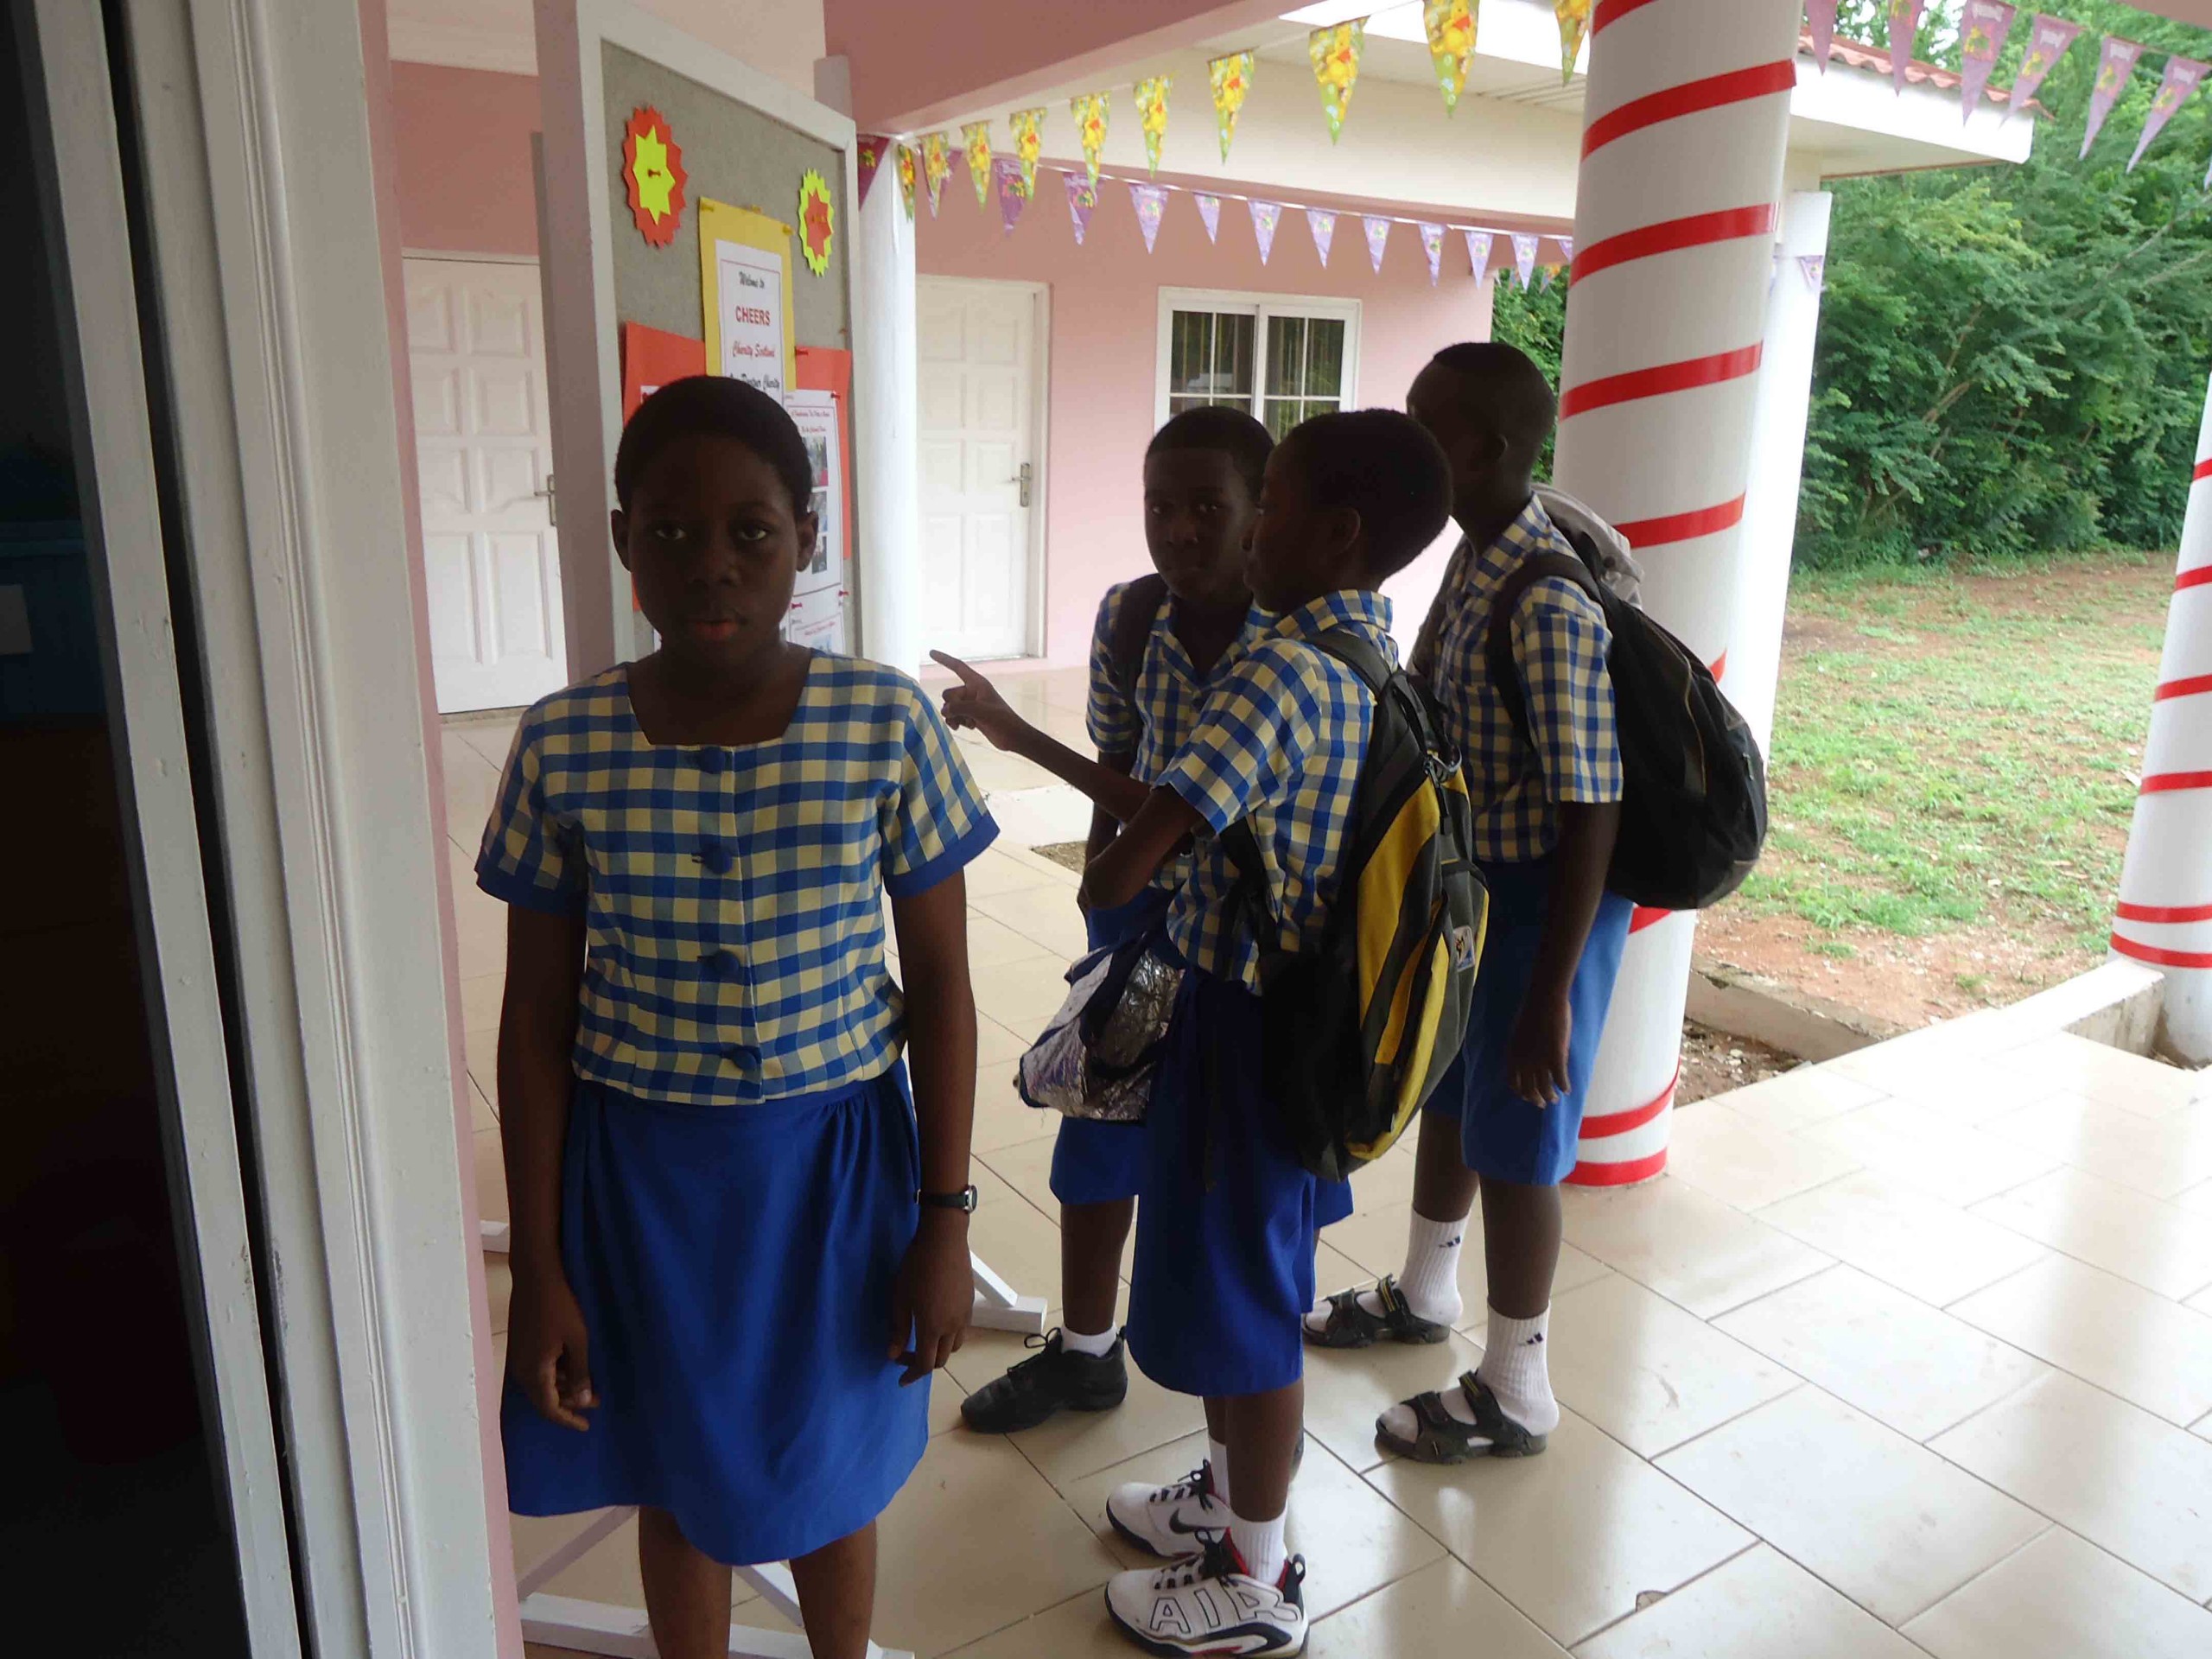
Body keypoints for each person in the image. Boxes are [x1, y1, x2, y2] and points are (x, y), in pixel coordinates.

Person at [481, 376, 995, 1659]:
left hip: (835, 1178)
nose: (709, 564)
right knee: (677, 1465)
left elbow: (942, 989)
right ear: (624, 541)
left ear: (806, 540)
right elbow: (534, 1019)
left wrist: (944, 1221)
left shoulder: (884, 724)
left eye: (751, 532)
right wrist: (539, 1266)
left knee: (830, 1467)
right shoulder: (562, 745)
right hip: (643, 1185)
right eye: (669, 531)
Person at [1084, 410, 1454, 1657]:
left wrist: (1116, 879)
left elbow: (1133, 859)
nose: (1250, 535)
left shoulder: (1277, 673)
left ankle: (1258, 1572)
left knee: (1247, 1306)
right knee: (1253, 1274)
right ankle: (1226, 1499)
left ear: (1336, 533)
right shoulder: (1368, 656)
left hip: (1242, 1029)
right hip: (1300, 1023)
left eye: (1272, 506)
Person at [933, 408, 1348, 1435]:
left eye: (1209, 506)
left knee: (1253, 1161)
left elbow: (1193, 809)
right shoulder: (1130, 617)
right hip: (1149, 917)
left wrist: (1018, 736)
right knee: (1097, 1123)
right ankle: (1086, 1354)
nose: (1179, 530)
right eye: (1160, 507)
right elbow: (1123, 770)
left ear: (1263, 512)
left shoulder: (1294, 643)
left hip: (1258, 951)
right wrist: (1105, 909)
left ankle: (1257, 1377)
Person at [1305, 342, 1632, 1468]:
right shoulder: (1476, 552)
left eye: (1427, 422)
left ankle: (1517, 1386)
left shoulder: (1544, 597)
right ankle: (1425, 1292)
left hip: (1547, 904)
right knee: (1446, 1091)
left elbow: (1593, 805)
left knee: (1519, 1140)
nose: (1408, 435)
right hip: (1477, 886)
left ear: (1486, 450)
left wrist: (1550, 996)